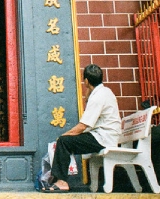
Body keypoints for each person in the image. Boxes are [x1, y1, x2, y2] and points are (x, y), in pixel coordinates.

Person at [46, 64, 121, 192]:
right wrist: (89, 91)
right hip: (106, 136)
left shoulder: (97, 97)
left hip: (103, 138)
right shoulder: (105, 92)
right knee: (66, 142)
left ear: (86, 81)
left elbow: (82, 126)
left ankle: (61, 182)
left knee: (64, 142)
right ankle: (58, 180)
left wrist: (63, 136)